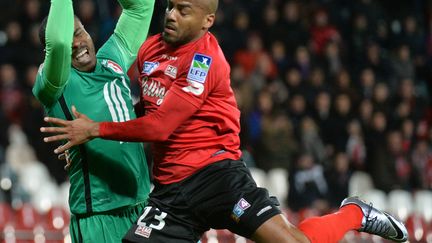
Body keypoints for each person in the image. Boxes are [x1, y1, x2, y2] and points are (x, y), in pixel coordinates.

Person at [40, 0, 408, 242]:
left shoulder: (205, 61)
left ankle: (354, 212)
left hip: (216, 177)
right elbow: (139, 110)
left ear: (207, 21)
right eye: (170, 7)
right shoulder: (150, 49)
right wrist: (100, 139)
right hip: (170, 192)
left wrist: (95, 131)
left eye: (183, 11)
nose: (170, 15)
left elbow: (160, 126)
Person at [32, 0, 154, 242]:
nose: (76, 43)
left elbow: (141, 7)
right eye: (69, 42)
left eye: (79, 33)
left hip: (142, 207)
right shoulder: (55, 85)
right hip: (99, 218)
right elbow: (57, 42)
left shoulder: (113, 58)